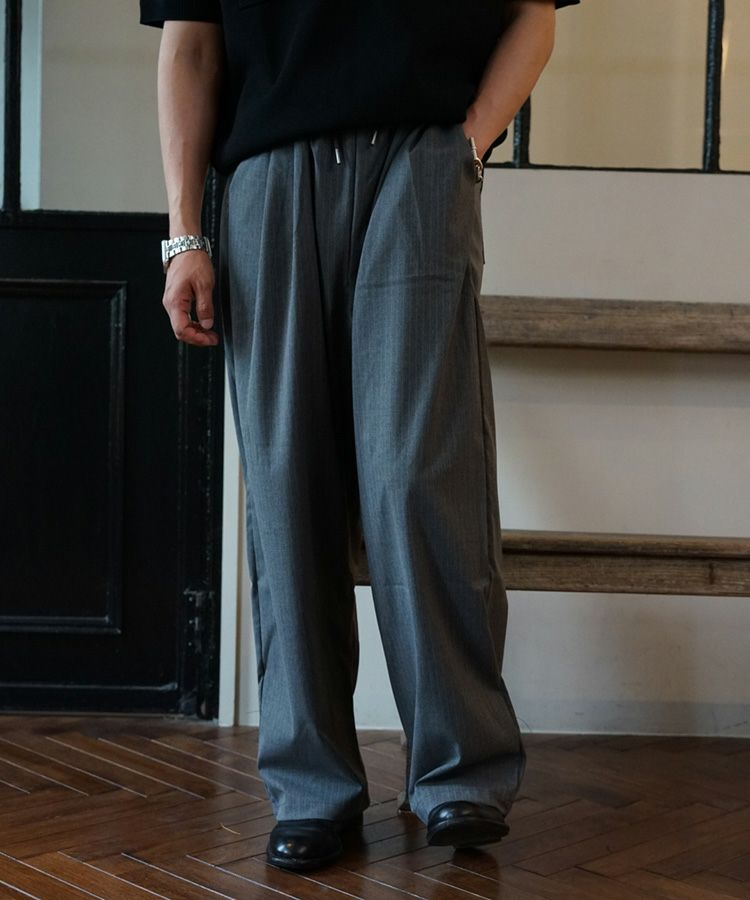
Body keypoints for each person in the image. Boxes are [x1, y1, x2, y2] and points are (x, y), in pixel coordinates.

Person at [140, 0, 580, 874]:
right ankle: (312, 787)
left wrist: (468, 143)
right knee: (286, 482)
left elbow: (533, 12)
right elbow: (192, 44)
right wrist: (184, 232)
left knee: (421, 474)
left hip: (418, 161)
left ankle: (460, 771)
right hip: (267, 175)